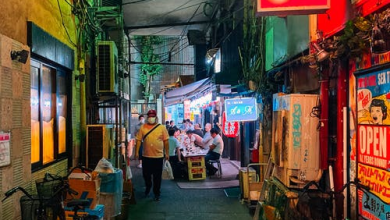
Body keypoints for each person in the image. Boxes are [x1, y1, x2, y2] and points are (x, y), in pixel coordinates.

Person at [135, 109, 169, 201]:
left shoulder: (162, 127)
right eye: (149, 117)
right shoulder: (143, 127)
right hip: (146, 156)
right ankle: (148, 186)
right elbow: (138, 140)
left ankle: (157, 193)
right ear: (147, 118)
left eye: (152, 117)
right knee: (146, 175)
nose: (151, 118)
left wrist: (167, 153)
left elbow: (166, 141)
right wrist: (136, 152)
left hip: (158, 157)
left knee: (157, 176)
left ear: (156, 117)